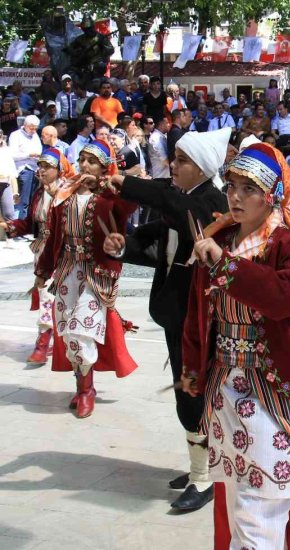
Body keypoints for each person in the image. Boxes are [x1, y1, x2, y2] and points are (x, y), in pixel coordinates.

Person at [179, 142, 290, 549]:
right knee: (235, 493)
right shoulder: (219, 239)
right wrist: (193, 367)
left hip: (274, 389)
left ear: (271, 196)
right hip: (225, 389)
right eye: (232, 185)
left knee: (261, 502)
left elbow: (284, 298)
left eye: (248, 188)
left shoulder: (288, 245)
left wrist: (226, 266)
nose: (235, 196)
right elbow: (198, 312)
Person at [99, 128, 231, 511]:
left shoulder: (209, 202)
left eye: (183, 160)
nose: (174, 165)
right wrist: (125, 244)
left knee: (194, 391)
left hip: (202, 320)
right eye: (174, 157)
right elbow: (158, 234)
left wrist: (128, 184)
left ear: (203, 168)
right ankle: (198, 467)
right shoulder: (184, 200)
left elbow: (172, 207)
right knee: (185, 390)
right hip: (178, 315)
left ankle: (205, 478)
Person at [35, 140, 140, 418]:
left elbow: (130, 204)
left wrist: (107, 182)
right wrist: (43, 271)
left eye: (92, 162)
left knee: (82, 329)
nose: (84, 166)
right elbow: (54, 236)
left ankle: (85, 392)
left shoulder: (110, 197)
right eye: (82, 160)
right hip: (68, 270)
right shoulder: (64, 196)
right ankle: (84, 385)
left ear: (104, 167)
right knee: (68, 330)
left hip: (97, 273)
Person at [1, 148, 73, 365]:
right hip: (42, 251)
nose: (41, 171)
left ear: (59, 170)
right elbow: (31, 223)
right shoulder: (38, 194)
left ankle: (52, 343)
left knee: (56, 298)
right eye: (40, 166)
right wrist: (9, 226)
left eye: (47, 167)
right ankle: (48, 342)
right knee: (48, 297)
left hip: (63, 251)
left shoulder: (68, 192)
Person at [9, 115, 42, 218]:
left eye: (35, 128)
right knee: (23, 201)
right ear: (25, 125)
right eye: (31, 128)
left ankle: (26, 226)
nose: (33, 130)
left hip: (35, 169)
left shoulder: (35, 135)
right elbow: (12, 155)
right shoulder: (15, 135)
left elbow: (39, 150)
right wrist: (28, 155)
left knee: (32, 200)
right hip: (23, 169)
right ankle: (19, 226)